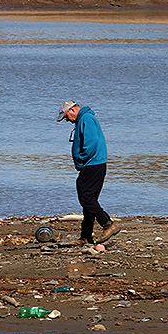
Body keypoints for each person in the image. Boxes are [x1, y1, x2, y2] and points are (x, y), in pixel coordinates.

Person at [58, 100, 115, 252]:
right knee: (89, 198)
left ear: (72, 111)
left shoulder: (86, 119)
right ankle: (86, 235)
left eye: (66, 117)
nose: (67, 120)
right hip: (94, 163)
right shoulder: (84, 119)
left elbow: (92, 143)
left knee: (86, 196)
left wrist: (82, 159)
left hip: (93, 164)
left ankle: (107, 223)